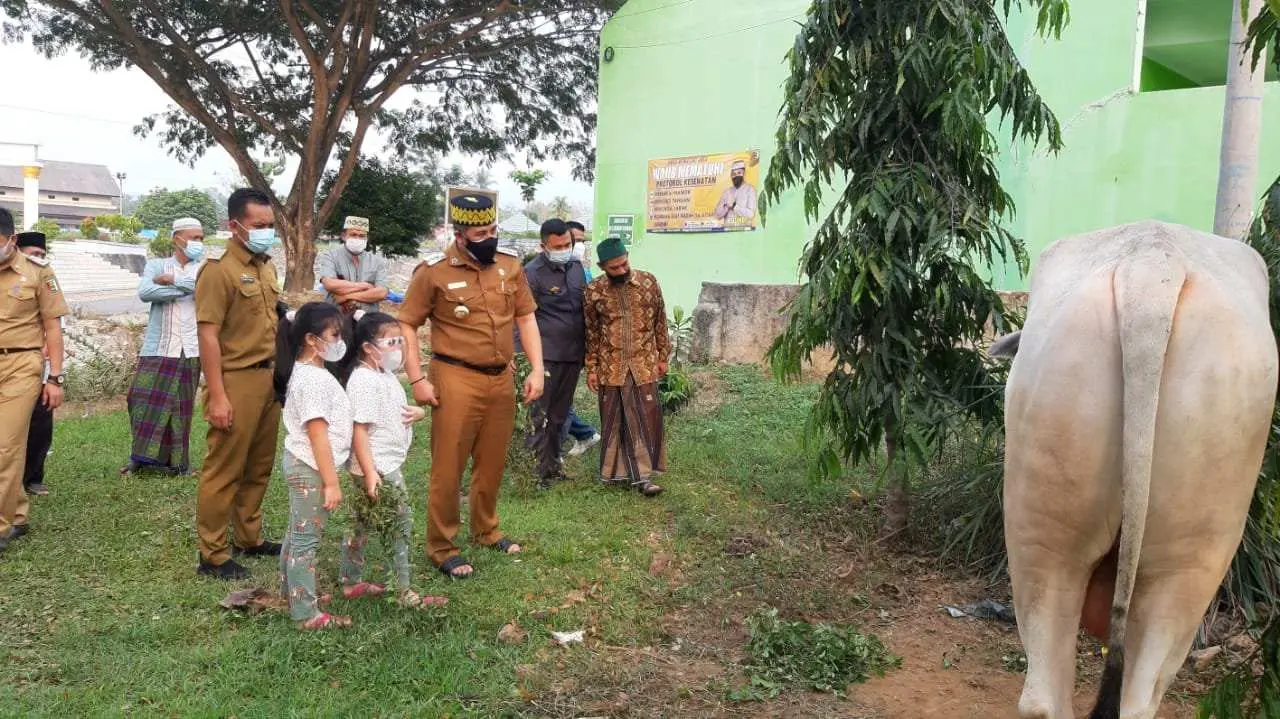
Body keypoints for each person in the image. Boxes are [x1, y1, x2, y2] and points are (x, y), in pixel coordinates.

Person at [398, 193, 545, 579]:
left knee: (492, 460)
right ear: (460, 234)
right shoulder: (432, 272)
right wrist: (417, 377)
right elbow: (408, 323)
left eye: (494, 230)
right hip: (455, 377)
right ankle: (442, 545)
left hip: (501, 376)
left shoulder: (510, 266)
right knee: (448, 466)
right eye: (482, 232)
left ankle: (486, 529)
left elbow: (526, 318)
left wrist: (537, 369)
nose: (491, 237)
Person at [193, 188, 284, 580]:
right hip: (236, 379)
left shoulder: (266, 266)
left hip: (269, 378)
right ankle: (212, 554)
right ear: (234, 226)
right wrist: (217, 396)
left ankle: (249, 537)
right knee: (224, 469)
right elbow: (208, 336)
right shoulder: (218, 269)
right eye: (258, 226)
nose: (266, 232)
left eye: (270, 226)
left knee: (259, 466)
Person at [338, 311, 448, 609]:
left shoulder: (383, 375)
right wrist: (372, 472)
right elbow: (359, 431)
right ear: (368, 348)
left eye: (401, 341)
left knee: (361, 522)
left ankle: (350, 581)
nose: (399, 348)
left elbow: (392, 410)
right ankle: (403, 591)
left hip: (379, 463)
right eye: (392, 342)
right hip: (377, 466)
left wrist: (418, 412)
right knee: (400, 522)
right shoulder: (363, 380)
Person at [276, 302, 351, 630]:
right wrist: (331, 482)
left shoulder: (309, 372)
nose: (339, 341)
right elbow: (317, 433)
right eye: (334, 335)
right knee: (306, 541)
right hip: (311, 467)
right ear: (310, 339)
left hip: (303, 463)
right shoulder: (314, 380)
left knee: (297, 533)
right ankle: (306, 613)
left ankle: (291, 593)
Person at [0, 209, 67, 556]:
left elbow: (53, 327)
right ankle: (20, 513)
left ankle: (2, 525)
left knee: (6, 445)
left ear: (12, 240)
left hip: (21, 363)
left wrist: (54, 377)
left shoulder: (38, 274)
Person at [584, 236, 671, 497]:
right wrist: (591, 367)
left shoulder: (648, 282)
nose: (622, 270)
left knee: (643, 417)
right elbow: (591, 332)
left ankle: (643, 477)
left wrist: (663, 356)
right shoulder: (593, 291)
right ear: (602, 267)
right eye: (614, 268)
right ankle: (615, 472)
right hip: (611, 367)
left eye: (624, 264)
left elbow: (660, 321)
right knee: (614, 420)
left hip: (643, 364)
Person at [122, 217, 206, 477]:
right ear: (176, 239)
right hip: (157, 348)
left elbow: (205, 290)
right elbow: (146, 292)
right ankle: (139, 458)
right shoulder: (156, 265)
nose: (197, 243)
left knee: (182, 409)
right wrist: (185, 289)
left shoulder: (204, 268)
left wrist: (171, 282)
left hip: (191, 348)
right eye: (193, 238)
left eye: (201, 238)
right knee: (139, 400)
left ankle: (180, 465)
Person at [517, 219, 588, 488]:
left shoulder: (577, 269)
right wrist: (522, 358)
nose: (564, 249)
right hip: (544, 357)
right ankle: (534, 472)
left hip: (572, 355)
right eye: (557, 246)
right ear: (543, 246)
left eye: (568, 244)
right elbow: (522, 319)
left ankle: (553, 466)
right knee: (539, 416)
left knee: (560, 415)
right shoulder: (531, 273)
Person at [14, 231, 61, 498]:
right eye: (34, 254)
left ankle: (32, 478)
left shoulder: (46, 278)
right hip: (14, 363)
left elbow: (55, 323)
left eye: (42, 255)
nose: (39, 259)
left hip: (39, 364)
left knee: (40, 424)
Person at [561, 220, 600, 458]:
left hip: (573, 346)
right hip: (549, 346)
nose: (578, 245)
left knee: (558, 399)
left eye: (582, 241)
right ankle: (584, 433)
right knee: (553, 398)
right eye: (574, 240)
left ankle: (579, 436)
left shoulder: (583, 272)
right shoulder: (540, 271)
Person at [317, 216, 389, 314]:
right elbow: (329, 284)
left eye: (361, 236)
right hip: (336, 317)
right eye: (353, 234)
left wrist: (346, 296)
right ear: (343, 236)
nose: (357, 239)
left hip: (367, 319)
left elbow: (382, 293)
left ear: (366, 238)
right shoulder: (331, 256)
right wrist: (365, 286)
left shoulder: (376, 261)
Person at [713, 159, 757, 225]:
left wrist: (734, 206)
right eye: (734, 174)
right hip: (727, 230)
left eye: (739, 173)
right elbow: (717, 215)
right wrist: (726, 207)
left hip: (744, 231)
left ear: (744, 174)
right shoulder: (727, 192)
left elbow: (751, 215)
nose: (736, 176)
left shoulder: (750, 190)